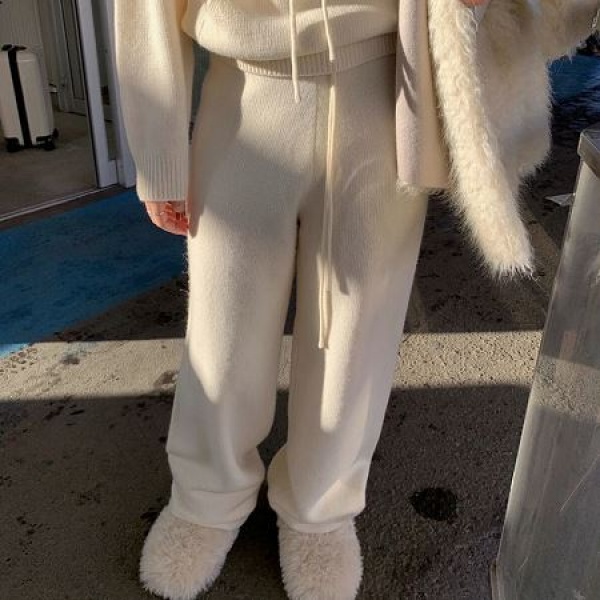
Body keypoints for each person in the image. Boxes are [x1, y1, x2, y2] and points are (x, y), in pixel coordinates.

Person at [113, 0, 592, 599]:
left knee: (358, 335)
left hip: (384, 90)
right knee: (223, 328)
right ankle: (206, 500)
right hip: (241, 92)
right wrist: (158, 151)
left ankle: (321, 509)